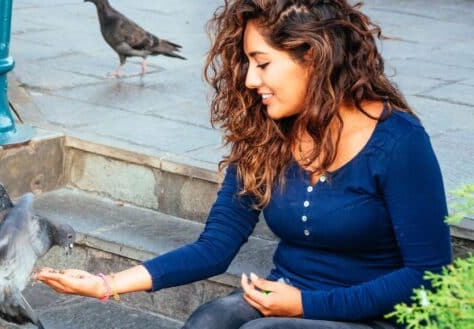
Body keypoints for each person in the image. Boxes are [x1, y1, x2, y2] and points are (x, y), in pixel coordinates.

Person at [33, 0, 453, 328]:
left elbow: (427, 272)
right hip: (284, 298)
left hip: (371, 313)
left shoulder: (398, 142)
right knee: (208, 321)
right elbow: (215, 248)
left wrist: (307, 304)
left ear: (314, 56)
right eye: (249, 64)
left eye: (263, 63)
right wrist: (106, 284)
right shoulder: (266, 135)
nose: (251, 80)